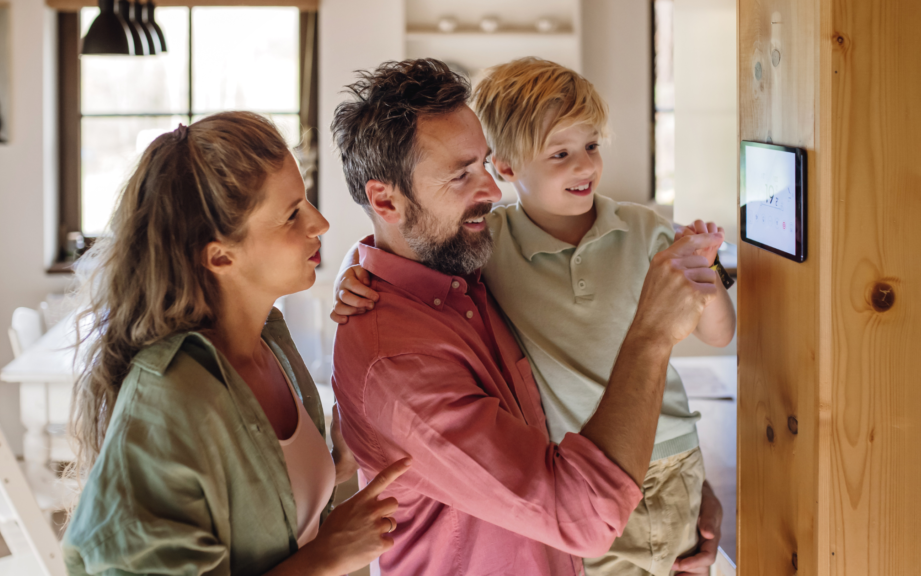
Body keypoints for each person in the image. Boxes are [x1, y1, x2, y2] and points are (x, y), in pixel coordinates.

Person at [334, 57, 734, 576]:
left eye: (481, 164)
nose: (491, 192)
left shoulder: (462, 264)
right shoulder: (402, 356)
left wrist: (677, 470)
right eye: (462, 174)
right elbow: (583, 515)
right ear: (385, 200)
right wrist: (652, 334)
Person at [61, 112, 410, 576]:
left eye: (305, 201)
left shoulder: (271, 343)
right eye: (291, 215)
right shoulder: (167, 401)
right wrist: (329, 555)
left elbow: (263, 509)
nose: (320, 223)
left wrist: (332, 465)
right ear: (220, 256)